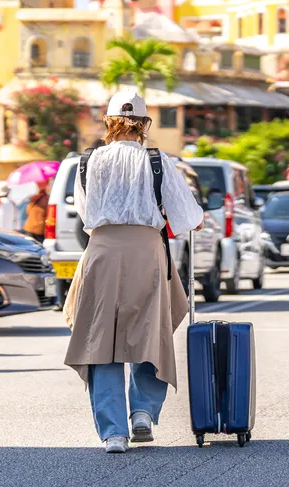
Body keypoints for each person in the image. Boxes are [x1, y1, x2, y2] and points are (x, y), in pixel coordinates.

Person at [64, 88, 204, 454]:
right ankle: (141, 412)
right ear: (144, 124)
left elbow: (84, 212)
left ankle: (113, 432)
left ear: (108, 122)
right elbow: (189, 216)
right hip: (146, 251)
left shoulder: (88, 161)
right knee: (148, 333)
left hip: (102, 252)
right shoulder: (158, 162)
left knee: (101, 341)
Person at [23, 176, 50, 243]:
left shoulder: (34, 198)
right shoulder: (46, 199)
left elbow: (27, 211)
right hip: (40, 229)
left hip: (29, 227)